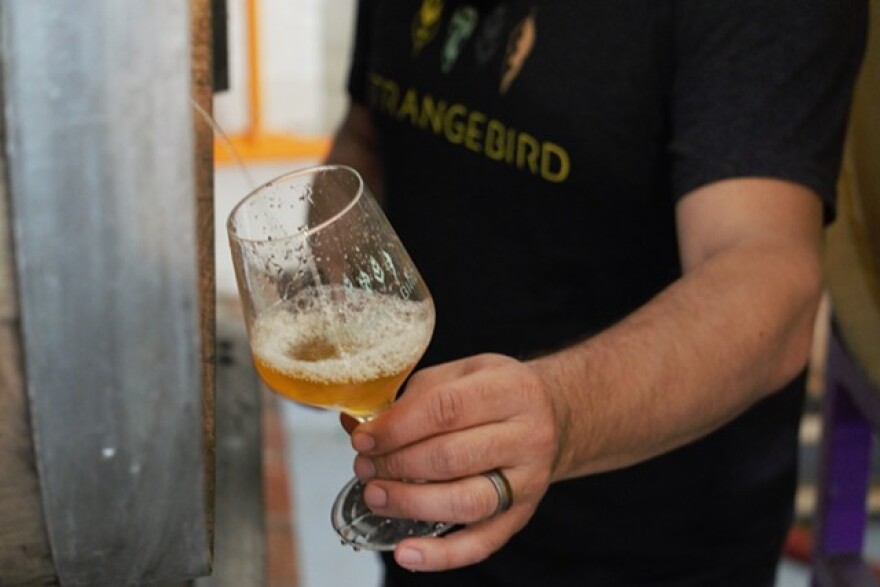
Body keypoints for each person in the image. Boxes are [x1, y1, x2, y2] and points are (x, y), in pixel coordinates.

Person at [325, 0, 867, 584]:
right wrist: (315, 285)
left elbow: (764, 272)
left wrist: (559, 413)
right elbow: (369, 137)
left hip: (645, 546)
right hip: (424, 499)